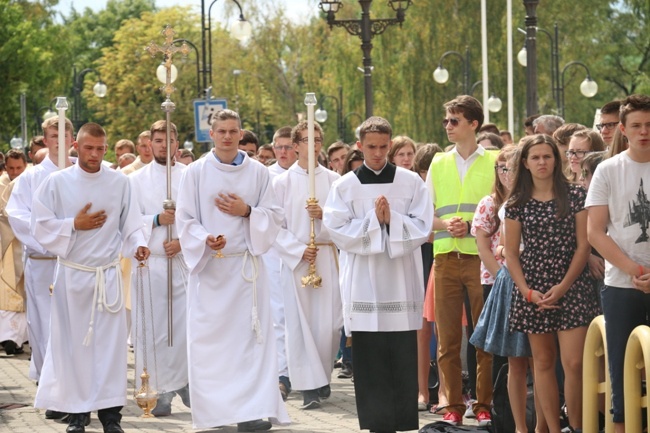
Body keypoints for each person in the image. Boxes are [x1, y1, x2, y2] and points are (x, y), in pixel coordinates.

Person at [31, 122, 150, 433]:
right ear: (76, 147)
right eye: (88, 148)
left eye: (100, 148)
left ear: (106, 149)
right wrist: (73, 224)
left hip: (107, 276)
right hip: (73, 275)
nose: (95, 154)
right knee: (74, 348)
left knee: (110, 350)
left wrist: (138, 246)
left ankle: (111, 415)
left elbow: (133, 224)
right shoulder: (56, 183)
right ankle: (78, 414)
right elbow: (40, 225)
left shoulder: (120, 183)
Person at [176, 109, 289, 432]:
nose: (227, 136)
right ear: (210, 135)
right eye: (221, 131)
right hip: (211, 270)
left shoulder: (258, 173)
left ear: (241, 134)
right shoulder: (195, 173)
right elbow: (184, 219)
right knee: (211, 345)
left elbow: (275, 216)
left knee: (249, 343)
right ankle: (215, 411)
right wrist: (204, 239)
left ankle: (250, 411)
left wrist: (247, 211)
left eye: (233, 131)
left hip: (245, 272)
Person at [323, 116, 432, 433]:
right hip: (363, 283)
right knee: (369, 356)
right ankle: (376, 423)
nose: (378, 153)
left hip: (400, 279)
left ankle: (401, 420)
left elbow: (423, 226)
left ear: (391, 143)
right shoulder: (344, 186)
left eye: (384, 147)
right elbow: (338, 231)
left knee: (401, 352)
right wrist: (376, 220)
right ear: (359, 145)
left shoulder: (411, 182)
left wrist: (392, 220)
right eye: (371, 147)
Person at [505, 134, 600, 433]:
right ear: (525, 163)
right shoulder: (516, 203)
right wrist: (527, 292)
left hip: (572, 285)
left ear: (556, 161)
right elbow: (510, 252)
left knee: (574, 363)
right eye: (535, 157)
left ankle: (578, 426)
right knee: (542, 363)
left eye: (547, 156)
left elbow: (583, 247)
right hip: (533, 287)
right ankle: (553, 430)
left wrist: (563, 286)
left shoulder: (575, 196)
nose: (542, 162)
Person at [426, 95, 496, 426]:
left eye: (454, 121)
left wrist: (472, 226)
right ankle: (452, 405)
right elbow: (423, 216)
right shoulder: (438, 163)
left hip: (481, 260)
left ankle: (484, 403)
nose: (448, 127)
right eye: (446, 121)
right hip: (444, 258)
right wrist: (445, 225)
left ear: (473, 124)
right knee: (448, 338)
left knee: (484, 336)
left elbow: (504, 210)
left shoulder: (495, 160)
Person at [586, 94, 650, 433]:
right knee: (622, 378)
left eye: (649, 125)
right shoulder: (608, 170)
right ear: (623, 130)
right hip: (622, 285)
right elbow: (595, 232)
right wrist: (634, 270)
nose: (644, 132)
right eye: (637, 126)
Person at [272, 120, 342, 410]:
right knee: (299, 325)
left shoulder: (334, 181)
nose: (311, 145)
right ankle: (308, 387)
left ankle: (321, 376)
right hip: (297, 261)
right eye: (305, 139)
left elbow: (344, 221)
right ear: (296, 144)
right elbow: (274, 226)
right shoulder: (281, 183)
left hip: (326, 256)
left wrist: (324, 215)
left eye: (316, 139)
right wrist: (299, 250)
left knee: (328, 325)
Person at [6, 117, 75, 396]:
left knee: (74, 325)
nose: (59, 140)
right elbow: (18, 215)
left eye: (64, 135)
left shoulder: (84, 172)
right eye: (53, 135)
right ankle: (51, 387)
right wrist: (50, 242)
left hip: (77, 263)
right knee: (45, 325)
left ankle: (73, 382)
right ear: (45, 140)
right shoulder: (31, 178)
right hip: (44, 263)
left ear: (73, 139)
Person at [128, 120, 190, 417]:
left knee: (186, 325)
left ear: (178, 143)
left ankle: (189, 383)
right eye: (158, 140)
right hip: (150, 264)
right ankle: (160, 390)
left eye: (170, 139)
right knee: (153, 330)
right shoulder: (135, 180)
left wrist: (181, 241)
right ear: (149, 144)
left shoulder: (191, 177)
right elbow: (127, 222)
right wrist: (155, 221)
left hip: (183, 262)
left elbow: (201, 218)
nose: (164, 145)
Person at [266, 125, 298, 400]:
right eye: (280, 147)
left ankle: (304, 372)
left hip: (303, 255)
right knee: (277, 316)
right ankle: (282, 374)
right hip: (273, 255)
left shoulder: (305, 177)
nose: (284, 152)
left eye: (289, 147)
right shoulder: (265, 177)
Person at [0, 149, 29, 355]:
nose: (15, 172)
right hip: (8, 246)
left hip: (29, 247)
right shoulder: (4, 186)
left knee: (26, 295)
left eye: (19, 168)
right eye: (11, 168)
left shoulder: (30, 182)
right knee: (8, 293)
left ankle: (20, 338)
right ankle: (9, 338)